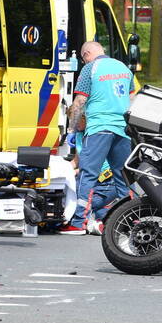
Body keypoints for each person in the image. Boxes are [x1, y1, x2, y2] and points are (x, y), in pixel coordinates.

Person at [61, 41, 135, 235]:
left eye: (83, 57)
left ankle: (79, 223)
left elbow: (80, 101)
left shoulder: (89, 69)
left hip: (99, 127)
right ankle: (133, 220)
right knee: (123, 177)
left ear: (86, 54)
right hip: (122, 129)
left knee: (88, 174)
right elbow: (133, 98)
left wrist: (71, 128)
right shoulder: (124, 68)